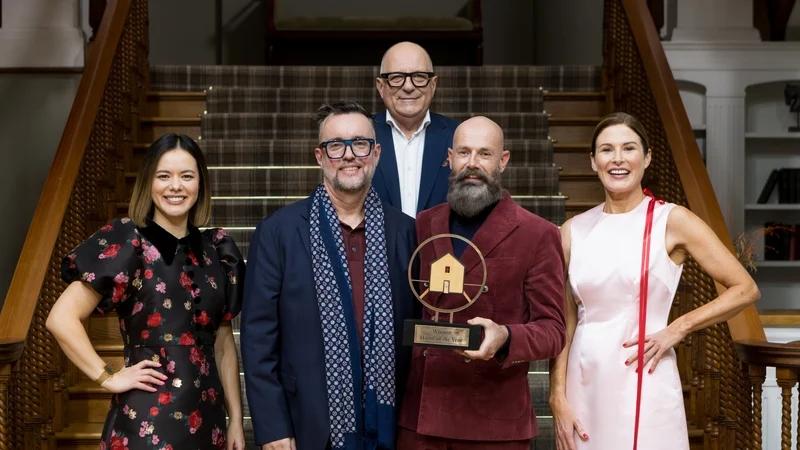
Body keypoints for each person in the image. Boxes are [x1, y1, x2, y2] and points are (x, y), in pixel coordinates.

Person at [548, 112, 760, 450]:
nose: (617, 159)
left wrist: (679, 327)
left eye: (629, 148)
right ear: (593, 161)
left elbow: (745, 289)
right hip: (584, 381)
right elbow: (565, 321)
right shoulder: (572, 231)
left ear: (646, 158)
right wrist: (557, 395)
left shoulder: (671, 219)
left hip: (646, 375)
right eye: (606, 150)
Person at [46, 133, 246, 449]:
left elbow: (223, 344)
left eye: (187, 176)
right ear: (148, 183)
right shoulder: (130, 242)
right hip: (146, 420)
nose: (176, 186)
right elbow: (61, 318)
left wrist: (235, 417)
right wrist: (108, 377)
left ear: (200, 184)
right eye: (164, 176)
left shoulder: (216, 250)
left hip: (208, 422)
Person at [241, 101, 416, 450]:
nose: (349, 155)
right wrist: (273, 427)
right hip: (307, 426)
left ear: (376, 153)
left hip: (391, 427)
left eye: (360, 143)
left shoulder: (406, 232)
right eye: (336, 145)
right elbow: (258, 338)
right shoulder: (278, 233)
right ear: (320, 156)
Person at [397, 116, 567, 449]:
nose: (472, 163)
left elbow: (553, 330)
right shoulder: (423, 225)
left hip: (494, 425)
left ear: (503, 161)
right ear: (450, 158)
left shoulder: (537, 233)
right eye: (464, 152)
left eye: (484, 154)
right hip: (421, 421)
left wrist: (505, 336)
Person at [372, 41, 459, 218]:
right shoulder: (361, 136)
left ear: (433, 85)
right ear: (381, 87)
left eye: (419, 76)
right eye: (396, 77)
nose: (408, 87)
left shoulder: (458, 136)